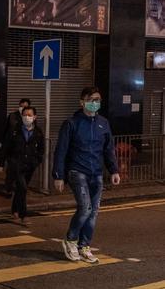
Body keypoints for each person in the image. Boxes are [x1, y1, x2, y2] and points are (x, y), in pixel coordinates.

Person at [52, 86, 120, 264]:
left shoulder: (103, 123)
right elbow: (61, 150)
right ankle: (71, 240)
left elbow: (108, 149)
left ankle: (84, 246)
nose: (95, 103)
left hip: (96, 173)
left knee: (93, 212)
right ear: (82, 102)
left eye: (97, 100)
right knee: (85, 208)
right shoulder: (72, 123)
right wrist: (58, 175)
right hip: (77, 171)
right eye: (91, 100)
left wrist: (114, 170)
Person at [0, 106, 44, 225]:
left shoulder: (38, 132)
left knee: (20, 189)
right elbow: (6, 147)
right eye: (24, 115)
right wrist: (1, 163)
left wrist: (37, 161)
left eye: (29, 115)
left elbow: (41, 149)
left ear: (35, 117)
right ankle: (23, 214)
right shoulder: (14, 130)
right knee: (23, 188)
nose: (27, 117)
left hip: (29, 165)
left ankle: (15, 210)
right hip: (16, 164)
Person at [0, 98, 32, 196]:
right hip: (12, 148)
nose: (23, 108)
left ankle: (20, 188)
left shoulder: (30, 117)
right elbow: (6, 130)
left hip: (24, 149)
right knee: (11, 170)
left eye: (25, 106)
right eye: (21, 106)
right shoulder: (12, 116)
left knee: (22, 170)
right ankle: (7, 188)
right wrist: (2, 142)